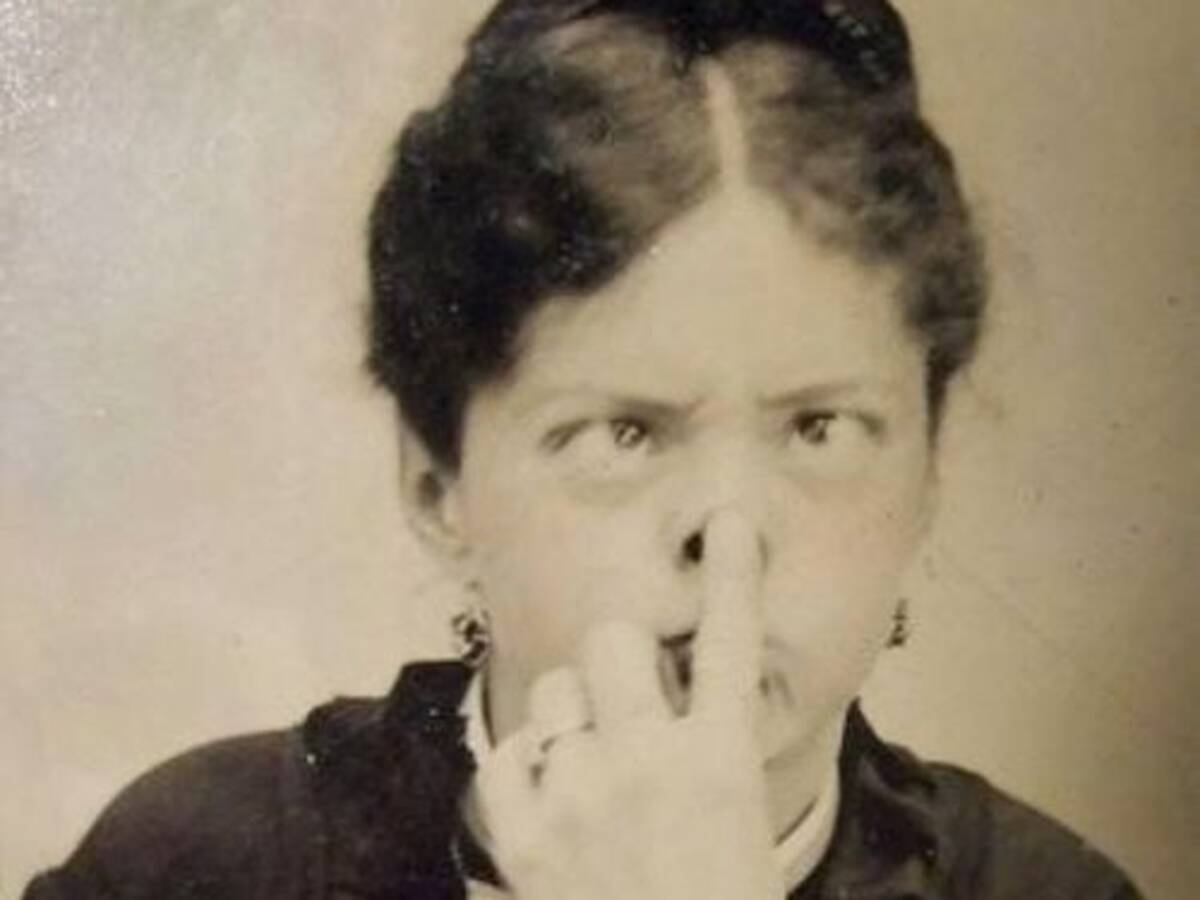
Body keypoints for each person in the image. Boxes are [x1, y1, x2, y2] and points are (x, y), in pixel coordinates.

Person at [23, 1, 1143, 898]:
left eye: (819, 427)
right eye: (625, 432)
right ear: (438, 485)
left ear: (929, 474)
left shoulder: (1047, 891)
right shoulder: (197, 865)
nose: (729, 529)